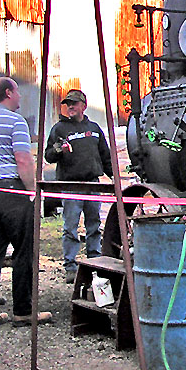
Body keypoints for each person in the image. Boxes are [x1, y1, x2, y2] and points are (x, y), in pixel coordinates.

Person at [0, 77, 51, 329]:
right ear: (7, 93)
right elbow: (23, 160)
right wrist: (33, 192)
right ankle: (24, 311)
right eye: (17, 92)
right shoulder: (16, 121)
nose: (20, 97)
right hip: (12, 190)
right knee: (25, 251)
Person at [44, 88, 113, 284]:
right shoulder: (59, 129)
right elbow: (48, 156)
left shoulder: (95, 129)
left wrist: (114, 177)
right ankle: (71, 267)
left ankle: (95, 262)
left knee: (94, 226)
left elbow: (105, 156)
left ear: (84, 106)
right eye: (68, 104)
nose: (70, 107)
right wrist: (59, 149)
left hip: (92, 185)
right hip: (71, 185)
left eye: (74, 103)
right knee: (70, 227)